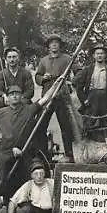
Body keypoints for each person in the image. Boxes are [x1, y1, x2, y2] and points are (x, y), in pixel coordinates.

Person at [0, 79, 61, 202]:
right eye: (11, 94)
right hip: (6, 154)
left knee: (27, 181)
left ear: (21, 95)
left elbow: (45, 99)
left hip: (24, 153)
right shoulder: (1, 113)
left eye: (17, 93)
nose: (14, 96)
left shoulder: (28, 109)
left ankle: (28, 205)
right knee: (5, 182)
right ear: (7, 97)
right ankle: (2, 205)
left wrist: (55, 84)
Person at [34, 34, 75, 162]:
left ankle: (69, 154)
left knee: (66, 126)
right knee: (41, 125)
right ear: (48, 46)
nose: (54, 45)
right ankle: (43, 154)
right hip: (47, 95)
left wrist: (71, 82)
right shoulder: (43, 61)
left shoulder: (67, 59)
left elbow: (77, 73)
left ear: (59, 45)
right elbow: (37, 77)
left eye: (56, 43)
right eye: (51, 43)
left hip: (62, 95)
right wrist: (43, 78)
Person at [72, 44, 107, 130]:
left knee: (106, 126)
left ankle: (106, 142)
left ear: (105, 55)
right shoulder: (88, 69)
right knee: (89, 124)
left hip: (106, 100)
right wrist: (84, 100)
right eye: (97, 53)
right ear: (94, 56)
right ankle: (86, 140)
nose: (99, 55)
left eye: (102, 53)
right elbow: (79, 87)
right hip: (91, 100)